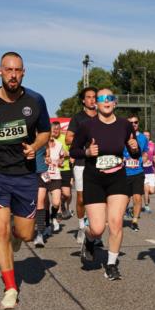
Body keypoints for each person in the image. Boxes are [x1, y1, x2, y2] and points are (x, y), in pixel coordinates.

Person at [0, 52, 50, 310]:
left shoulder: (36, 100)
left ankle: (17, 236)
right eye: (8, 70)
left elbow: (45, 131)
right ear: (1, 72)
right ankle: (11, 287)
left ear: (23, 73)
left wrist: (35, 146)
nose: (13, 74)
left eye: (17, 70)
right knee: (0, 229)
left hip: (25, 175)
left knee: (24, 234)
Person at [69, 88, 140, 280]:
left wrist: (135, 148)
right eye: (101, 98)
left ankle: (111, 265)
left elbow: (135, 152)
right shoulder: (87, 126)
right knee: (98, 228)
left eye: (110, 98)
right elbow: (73, 151)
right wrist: (87, 153)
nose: (106, 101)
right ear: (96, 104)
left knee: (116, 222)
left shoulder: (125, 125)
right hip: (94, 179)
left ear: (115, 102)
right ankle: (90, 239)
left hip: (117, 177)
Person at [65, 87, 98, 244]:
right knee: (81, 198)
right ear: (83, 100)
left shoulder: (103, 117)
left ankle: (93, 230)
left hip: (100, 163)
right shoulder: (78, 118)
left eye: (94, 97)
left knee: (99, 198)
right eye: (89, 97)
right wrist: (84, 140)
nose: (92, 100)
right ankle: (81, 227)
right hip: (82, 162)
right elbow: (68, 139)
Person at [34, 121, 68, 246]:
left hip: (54, 176)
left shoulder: (58, 144)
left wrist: (61, 160)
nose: (53, 132)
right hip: (42, 175)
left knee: (56, 202)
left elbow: (63, 155)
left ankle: (53, 217)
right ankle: (40, 234)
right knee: (41, 201)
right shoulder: (39, 143)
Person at [123, 115, 149, 231]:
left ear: (138, 123)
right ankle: (117, 218)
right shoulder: (122, 136)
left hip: (138, 172)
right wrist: (122, 159)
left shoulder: (143, 138)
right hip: (124, 172)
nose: (133, 124)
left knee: (137, 197)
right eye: (131, 122)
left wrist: (144, 158)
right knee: (125, 199)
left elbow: (145, 152)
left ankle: (134, 221)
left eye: (136, 122)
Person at [142, 131, 155, 212]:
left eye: (148, 135)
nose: (146, 137)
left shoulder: (152, 145)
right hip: (143, 171)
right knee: (146, 189)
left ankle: (146, 195)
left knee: (151, 191)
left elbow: (154, 155)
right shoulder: (139, 144)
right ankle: (146, 206)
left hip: (151, 170)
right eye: (145, 135)